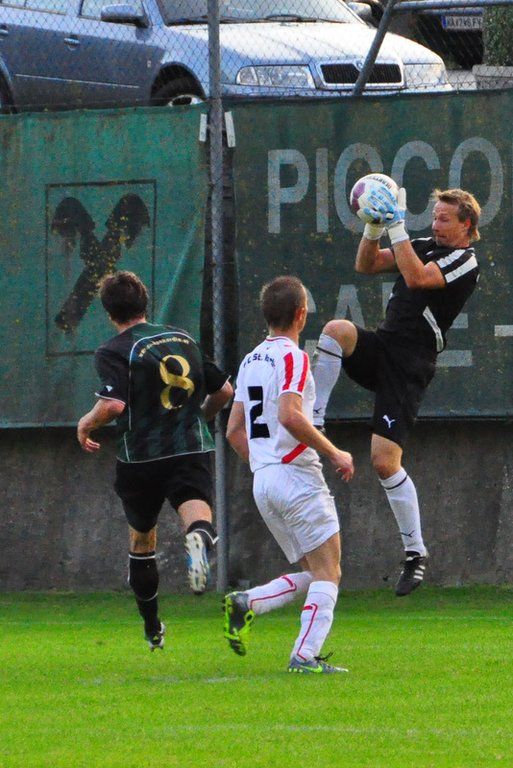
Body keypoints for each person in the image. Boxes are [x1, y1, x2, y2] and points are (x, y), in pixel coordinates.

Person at [312, 186, 481, 596]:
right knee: (336, 331)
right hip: (384, 346)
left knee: (384, 462)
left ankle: (415, 552)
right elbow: (366, 265)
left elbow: (418, 277)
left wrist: (397, 225)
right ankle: (313, 422)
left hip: (410, 365)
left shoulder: (465, 261)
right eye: (434, 216)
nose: (436, 224)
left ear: (467, 225)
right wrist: (373, 228)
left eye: (445, 219)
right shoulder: (421, 244)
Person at [77, 271, 233, 650]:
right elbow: (225, 390)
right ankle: (199, 539)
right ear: (146, 302)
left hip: (140, 457)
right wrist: (200, 418)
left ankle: (153, 629)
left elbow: (113, 405)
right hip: (188, 448)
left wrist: (85, 423)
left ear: (109, 313)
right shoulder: (182, 338)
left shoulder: (114, 349)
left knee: (142, 539)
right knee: (196, 513)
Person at [224, 275, 354, 674]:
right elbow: (290, 415)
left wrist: (264, 464)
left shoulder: (249, 361)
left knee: (315, 571)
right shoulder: (293, 357)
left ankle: (248, 602)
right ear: (301, 315)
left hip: (264, 480)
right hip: (296, 476)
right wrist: (334, 452)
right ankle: (304, 655)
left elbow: (233, 431)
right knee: (329, 571)